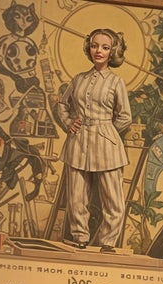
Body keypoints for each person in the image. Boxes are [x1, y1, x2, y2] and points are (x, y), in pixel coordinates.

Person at [58, 27, 131, 251]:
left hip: (107, 146)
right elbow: (62, 104)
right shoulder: (78, 79)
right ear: (89, 48)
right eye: (94, 46)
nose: (98, 51)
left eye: (105, 47)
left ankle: (107, 243)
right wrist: (69, 122)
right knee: (76, 197)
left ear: (113, 52)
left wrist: (106, 133)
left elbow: (125, 117)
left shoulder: (116, 82)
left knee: (113, 199)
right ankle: (80, 237)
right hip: (78, 143)